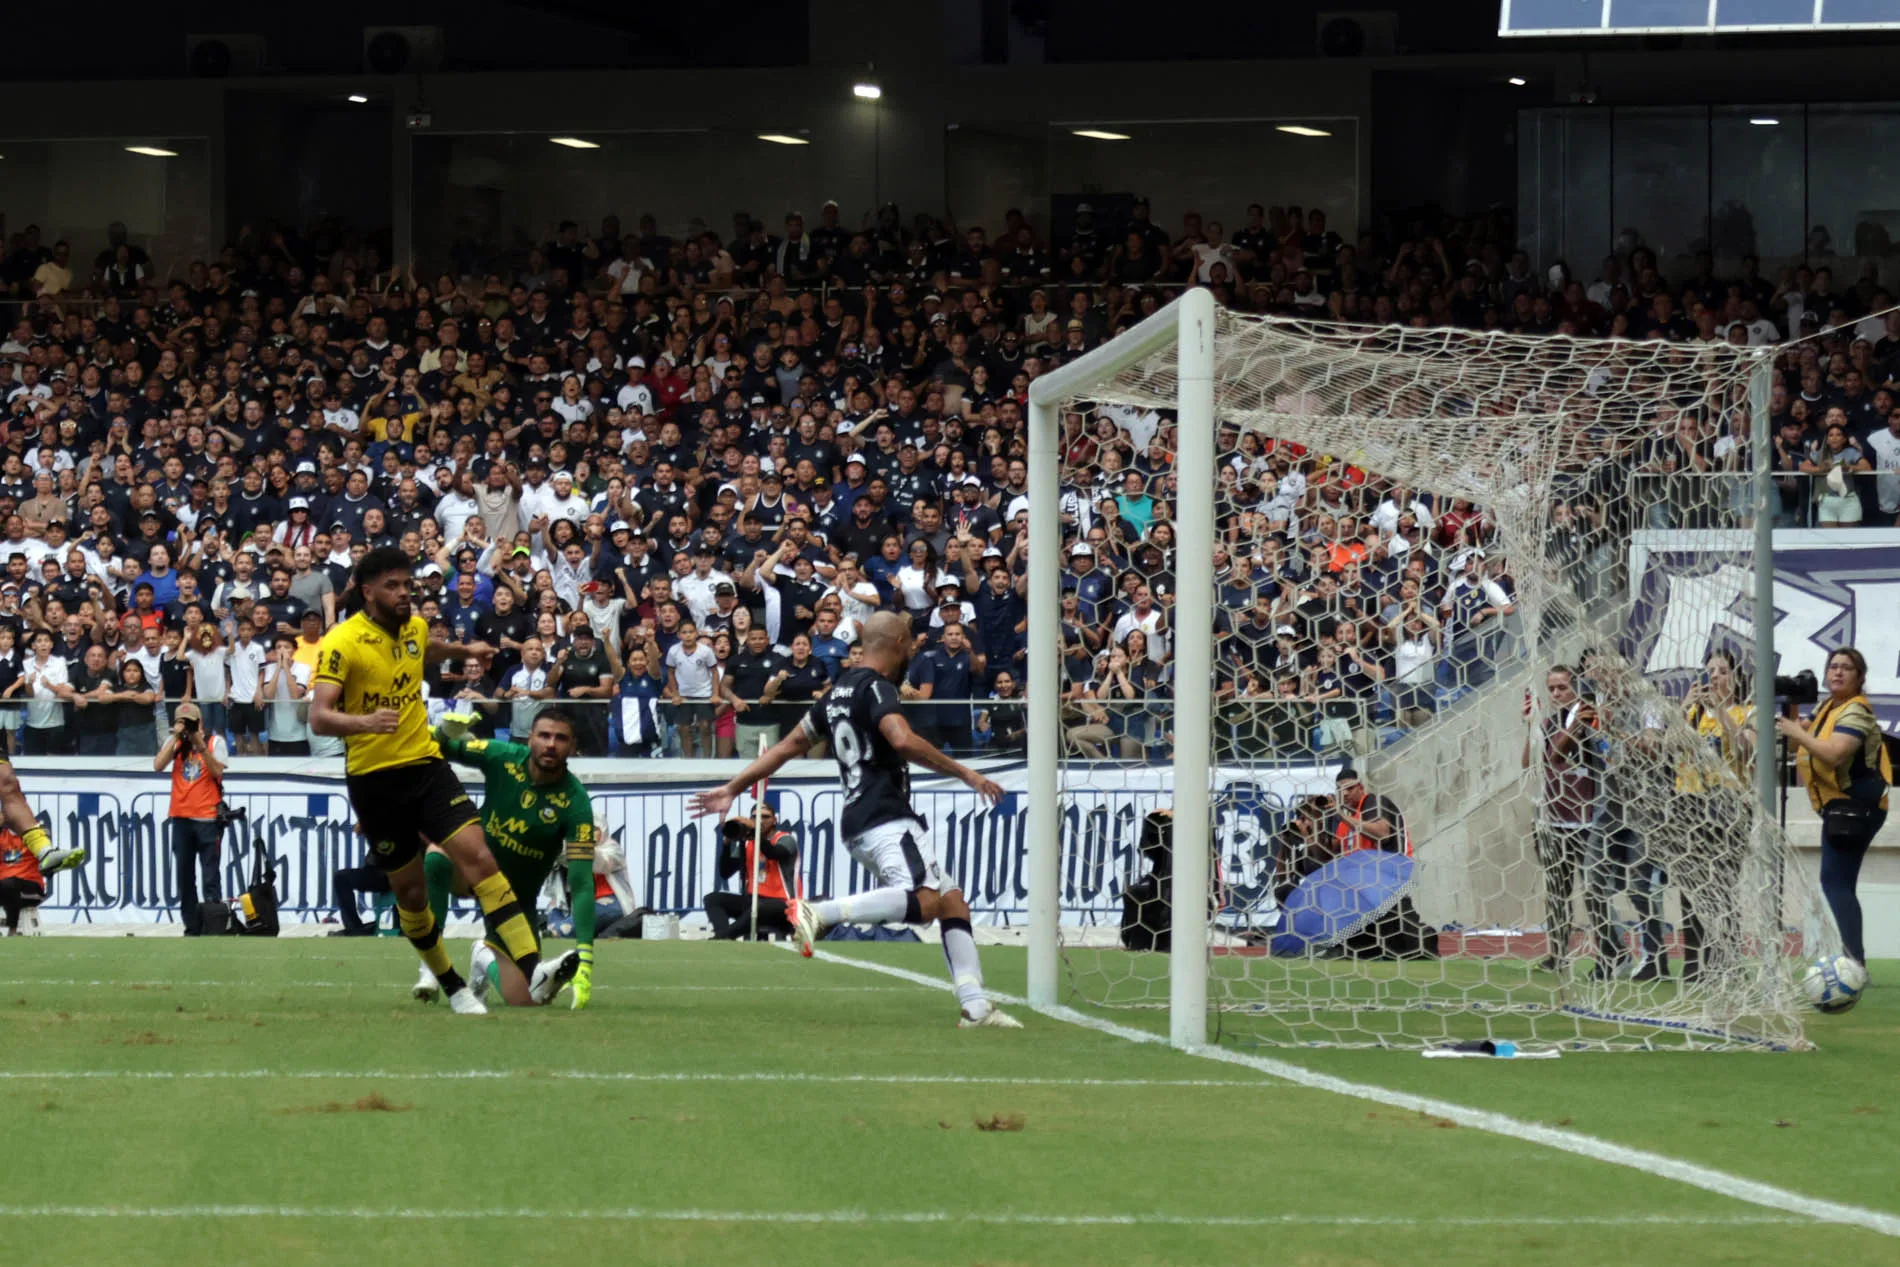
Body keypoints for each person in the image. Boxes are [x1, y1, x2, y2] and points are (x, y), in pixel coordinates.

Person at [688, 609, 1021, 1028]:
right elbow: (902, 740)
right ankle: (824, 912)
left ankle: (974, 1006)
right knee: (928, 900)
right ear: (899, 645)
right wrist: (966, 772)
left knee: (952, 901)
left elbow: (789, 744)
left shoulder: (836, 693)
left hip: (857, 820)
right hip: (887, 815)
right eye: (911, 647)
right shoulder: (878, 688)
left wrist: (734, 786)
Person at [308, 546, 562, 1016]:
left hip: (426, 766)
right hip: (374, 781)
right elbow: (319, 717)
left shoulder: (415, 628)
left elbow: (429, 646)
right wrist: (365, 723)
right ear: (367, 592)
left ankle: (534, 969)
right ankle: (451, 983)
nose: (406, 593)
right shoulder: (342, 642)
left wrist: (467, 649)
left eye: (408, 584)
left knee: (482, 858)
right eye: (393, 586)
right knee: (410, 893)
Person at [420, 708, 599, 1008]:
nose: (550, 744)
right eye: (543, 735)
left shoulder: (576, 802)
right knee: (437, 857)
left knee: (529, 1000)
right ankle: (430, 967)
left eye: (560, 738)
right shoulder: (501, 755)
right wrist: (441, 732)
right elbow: (439, 748)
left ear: (572, 747)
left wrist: (587, 961)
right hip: (475, 874)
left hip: (515, 903)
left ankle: (482, 957)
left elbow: (580, 884)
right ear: (529, 738)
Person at [1779, 646, 1889, 969]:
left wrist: (1798, 731)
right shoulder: (1829, 705)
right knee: (1840, 883)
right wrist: (1793, 713)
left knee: (1835, 883)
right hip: (1839, 807)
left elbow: (1835, 753)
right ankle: (1854, 958)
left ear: (1861, 677)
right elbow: (1797, 743)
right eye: (1833, 667)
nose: (1838, 672)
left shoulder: (1856, 711)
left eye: (1847, 668)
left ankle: (1854, 963)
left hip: (1856, 809)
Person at [1522, 665, 1599, 974]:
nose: (1555, 694)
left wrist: (1578, 716)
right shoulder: (1551, 721)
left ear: (1576, 688)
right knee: (1556, 891)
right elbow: (1529, 761)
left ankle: (1609, 953)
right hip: (1554, 817)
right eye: (1551, 688)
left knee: (1593, 890)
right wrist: (1531, 728)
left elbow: (1556, 754)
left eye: (1562, 688)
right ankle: (1558, 955)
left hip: (1585, 818)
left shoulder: (1588, 718)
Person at [154, 702, 228, 936]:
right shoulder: (175, 744)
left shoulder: (215, 742)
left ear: (200, 722)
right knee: (185, 876)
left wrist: (200, 744)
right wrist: (177, 736)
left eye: (190, 722)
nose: (186, 727)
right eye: (182, 722)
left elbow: (218, 771)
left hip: (207, 817)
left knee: (210, 875)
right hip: (181, 817)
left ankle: (213, 923)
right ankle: (192, 924)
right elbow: (158, 765)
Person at [704, 804, 798, 940]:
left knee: (759, 907)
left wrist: (755, 830)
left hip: (782, 904)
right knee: (712, 899)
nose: (760, 820)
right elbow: (725, 872)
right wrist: (727, 844)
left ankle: (723, 937)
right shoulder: (749, 844)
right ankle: (723, 936)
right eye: (755, 817)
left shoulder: (785, 839)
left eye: (765, 817)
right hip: (754, 900)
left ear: (774, 820)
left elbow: (772, 853)